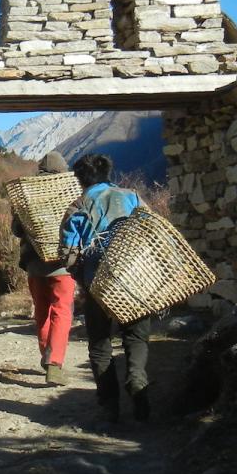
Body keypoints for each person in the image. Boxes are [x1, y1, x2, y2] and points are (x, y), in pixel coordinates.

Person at [59, 153, 154, 422]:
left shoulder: (77, 206)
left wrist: (81, 276)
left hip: (98, 283)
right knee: (135, 337)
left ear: (80, 179)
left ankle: (110, 405)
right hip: (137, 279)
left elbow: (69, 253)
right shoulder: (132, 196)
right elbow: (152, 229)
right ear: (108, 173)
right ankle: (137, 381)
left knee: (100, 343)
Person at [12, 152, 76, 386]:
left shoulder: (26, 194)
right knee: (62, 310)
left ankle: (46, 355)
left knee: (42, 311)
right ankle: (54, 363)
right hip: (62, 265)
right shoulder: (70, 193)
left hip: (34, 264)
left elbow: (17, 230)